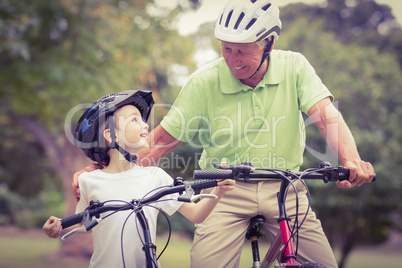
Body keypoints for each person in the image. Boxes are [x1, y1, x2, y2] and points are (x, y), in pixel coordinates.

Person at [72, 1, 375, 267]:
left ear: (268, 43)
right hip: (223, 189)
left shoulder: (294, 67)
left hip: (286, 185)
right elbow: (158, 144)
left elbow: (326, 117)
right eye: (226, 49)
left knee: (321, 265)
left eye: (243, 51)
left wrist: (352, 160)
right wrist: (105, 167)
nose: (233, 60)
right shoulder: (204, 81)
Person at [43, 90, 235, 268]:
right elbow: (84, 223)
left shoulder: (156, 177)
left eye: (143, 119)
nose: (145, 125)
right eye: (134, 120)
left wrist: (219, 190)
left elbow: (196, 215)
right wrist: (59, 225)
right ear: (112, 135)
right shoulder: (88, 181)